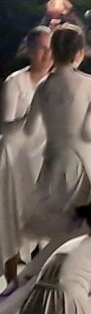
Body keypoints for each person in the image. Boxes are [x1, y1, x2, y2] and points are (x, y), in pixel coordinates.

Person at [19, 25, 91, 262]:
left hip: (54, 163)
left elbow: (29, 129)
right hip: (85, 161)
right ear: (79, 52)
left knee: (60, 228)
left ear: (53, 51)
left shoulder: (43, 86)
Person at [0, 27, 52, 282]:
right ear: (30, 51)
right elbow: (7, 127)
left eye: (50, 49)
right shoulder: (15, 82)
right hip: (16, 159)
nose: (47, 54)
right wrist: (33, 118)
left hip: (45, 158)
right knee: (12, 219)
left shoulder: (57, 81)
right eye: (41, 48)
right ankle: (11, 280)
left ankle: (44, 275)